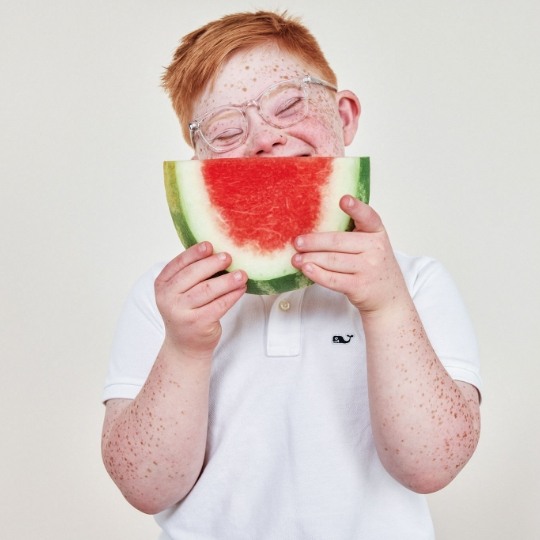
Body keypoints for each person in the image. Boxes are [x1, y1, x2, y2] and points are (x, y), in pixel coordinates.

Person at [101, 10, 481, 539]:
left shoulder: (415, 284)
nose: (264, 139)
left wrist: (387, 308)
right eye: (228, 130)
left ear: (345, 115)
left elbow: (432, 465)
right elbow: (145, 487)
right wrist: (184, 348)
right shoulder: (166, 302)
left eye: (288, 104)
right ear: (199, 166)